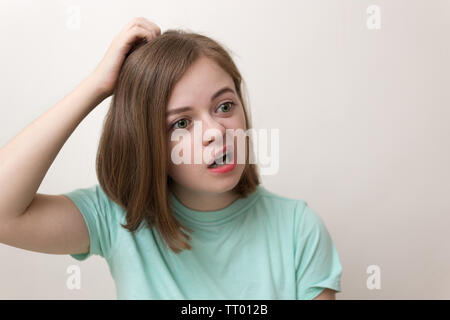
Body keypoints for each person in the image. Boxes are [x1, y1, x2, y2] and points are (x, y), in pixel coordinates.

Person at [0, 17, 342, 300]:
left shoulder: (299, 230)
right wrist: (96, 86)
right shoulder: (118, 218)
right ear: (149, 142)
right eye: (181, 123)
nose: (215, 132)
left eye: (224, 106)